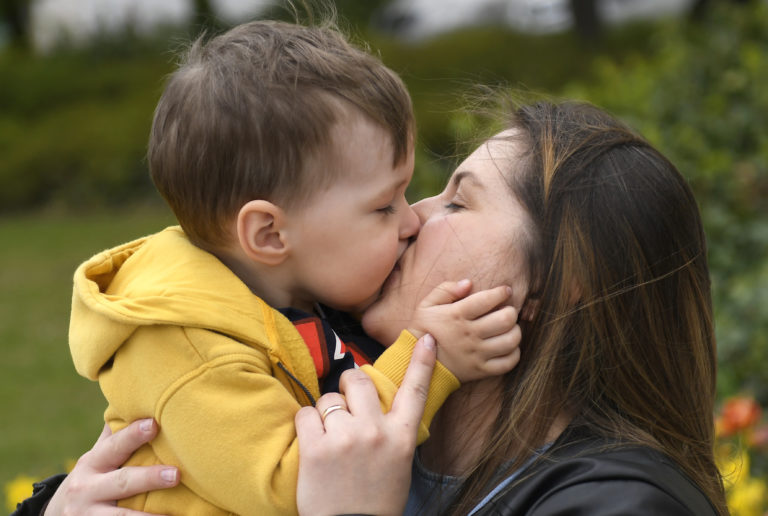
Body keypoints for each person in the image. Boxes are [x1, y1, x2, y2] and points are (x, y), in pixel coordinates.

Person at [56, 18, 522, 516]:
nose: (412, 220)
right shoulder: (191, 350)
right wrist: (431, 364)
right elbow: (299, 484)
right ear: (270, 235)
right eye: (383, 206)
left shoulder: (284, 290)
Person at [294, 99, 729, 515]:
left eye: (458, 203)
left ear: (555, 280)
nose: (410, 220)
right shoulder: (340, 420)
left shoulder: (619, 505)